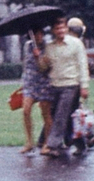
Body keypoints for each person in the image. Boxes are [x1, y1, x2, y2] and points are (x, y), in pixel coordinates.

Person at [42, 16, 89, 158]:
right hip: (55, 85)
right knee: (69, 118)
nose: (60, 31)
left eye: (63, 28)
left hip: (71, 85)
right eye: (57, 28)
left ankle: (52, 145)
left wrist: (84, 86)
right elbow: (44, 68)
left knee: (60, 115)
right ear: (53, 31)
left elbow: (82, 65)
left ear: (66, 29)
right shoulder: (49, 47)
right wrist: (40, 58)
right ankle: (80, 143)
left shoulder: (76, 44)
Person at [19, 31, 54, 154]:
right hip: (30, 83)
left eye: (40, 34)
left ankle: (46, 144)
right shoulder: (27, 46)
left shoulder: (48, 46)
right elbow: (26, 65)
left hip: (44, 83)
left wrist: (39, 57)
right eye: (35, 34)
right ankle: (29, 142)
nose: (38, 37)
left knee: (45, 113)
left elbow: (48, 66)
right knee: (25, 110)